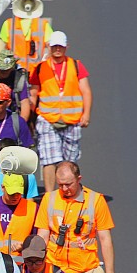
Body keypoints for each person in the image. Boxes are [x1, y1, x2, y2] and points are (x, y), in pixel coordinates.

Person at [29, 31, 93, 191]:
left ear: (66, 47)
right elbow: (34, 92)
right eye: (54, 46)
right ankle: (50, 196)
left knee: (70, 161)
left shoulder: (76, 66)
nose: (57, 49)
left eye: (61, 46)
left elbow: (86, 91)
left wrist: (86, 114)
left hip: (72, 119)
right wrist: (29, 117)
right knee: (49, 159)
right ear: (49, 47)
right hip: (48, 118)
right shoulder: (40, 68)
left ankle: (68, 192)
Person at [0, 174, 38, 255]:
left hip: (18, 263)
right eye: (11, 194)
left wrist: (25, 246)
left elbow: (37, 238)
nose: (15, 197)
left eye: (18, 193)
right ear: (2, 188)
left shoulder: (32, 208)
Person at [0, 0, 53, 71]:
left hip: (36, 71)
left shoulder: (43, 24)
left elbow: (51, 46)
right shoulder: (9, 24)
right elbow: (2, 48)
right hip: (15, 70)